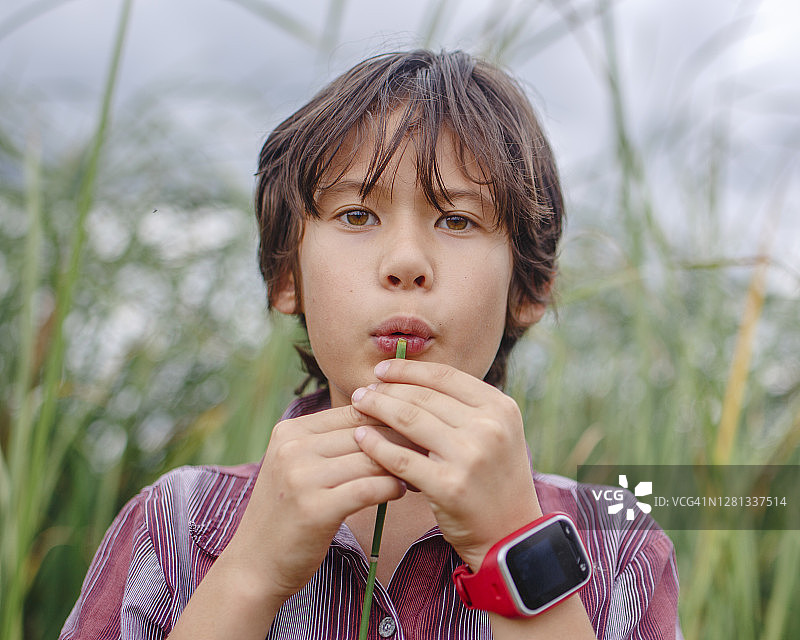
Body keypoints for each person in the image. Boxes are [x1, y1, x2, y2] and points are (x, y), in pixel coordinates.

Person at [60, 49, 682, 639]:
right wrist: (251, 575)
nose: (406, 262)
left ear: (530, 286)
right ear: (286, 276)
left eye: (457, 220)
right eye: (357, 215)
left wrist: (516, 549)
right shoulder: (176, 526)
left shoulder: (616, 546)